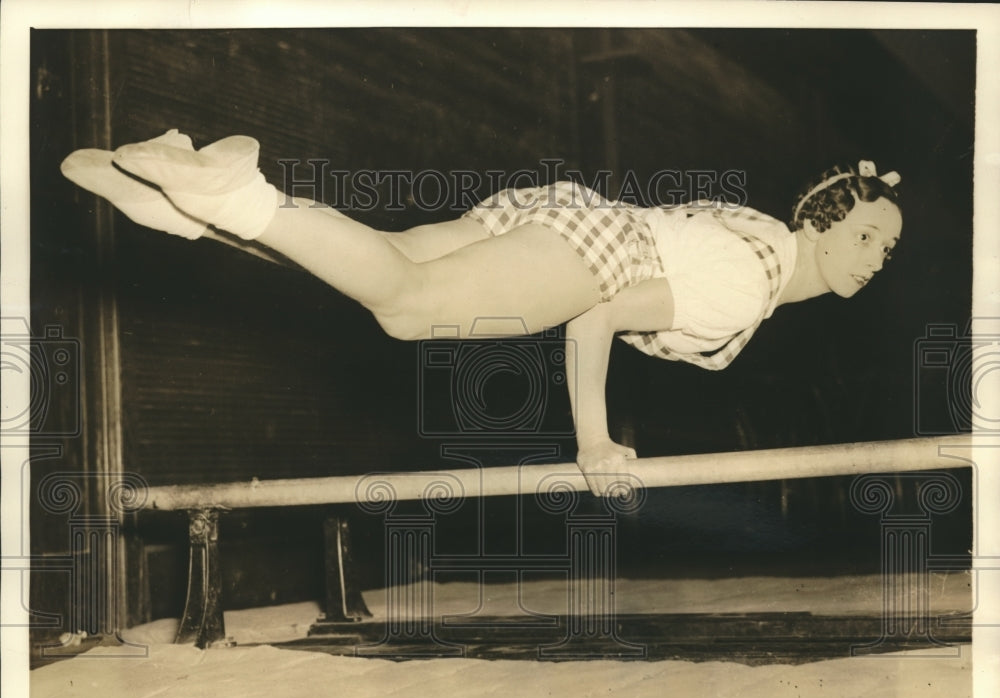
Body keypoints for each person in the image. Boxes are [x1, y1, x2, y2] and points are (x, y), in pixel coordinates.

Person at [60, 131, 903, 495]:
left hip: (565, 213)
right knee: (405, 308)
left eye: (887, 249)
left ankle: (195, 213)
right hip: (597, 251)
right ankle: (241, 196)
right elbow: (598, 315)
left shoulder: (759, 231)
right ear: (823, 221)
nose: (874, 257)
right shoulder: (750, 288)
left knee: (386, 261)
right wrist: (595, 441)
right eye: (867, 234)